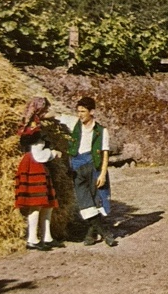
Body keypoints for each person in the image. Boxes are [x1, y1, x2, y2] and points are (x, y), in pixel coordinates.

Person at [56, 96, 119, 247]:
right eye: (78, 111)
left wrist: (103, 174)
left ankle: (91, 234)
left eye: (83, 111)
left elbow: (105, 153)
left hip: (93, 165)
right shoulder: (73, 123)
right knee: (84, 201)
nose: (80, 114)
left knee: (97, 199)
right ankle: (105, 234)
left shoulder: (101, 131)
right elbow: (55, 116)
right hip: (76, 167)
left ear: (92, 111)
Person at [14, 97, 63, 251]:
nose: (47, 112)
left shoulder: (32, 123)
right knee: (36, 205)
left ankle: (47, 237)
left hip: (37, 166)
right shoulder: (33, 129)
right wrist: (53, 153)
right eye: (45, 109)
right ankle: (33, 239)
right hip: (34, 165)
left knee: (46, 204)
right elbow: (38, 154)